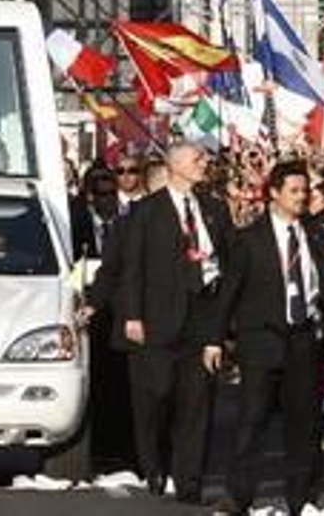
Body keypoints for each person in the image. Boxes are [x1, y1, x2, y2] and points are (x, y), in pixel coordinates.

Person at [213, 158, 324, 516]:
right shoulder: (249, 239)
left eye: (305, 190)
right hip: (261, 341)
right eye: (294, 191)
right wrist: (214, 338)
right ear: (274, 194)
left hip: (304, 340)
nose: (302, 196)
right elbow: (228, 293)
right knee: (252, 421)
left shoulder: (314, 234)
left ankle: (302, 498)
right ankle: (238, 497)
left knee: (304, 424)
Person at [115, 141, 231, 503]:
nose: (204, 163)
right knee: (157, 398)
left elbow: (229, 265)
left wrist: (224, 326)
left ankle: (189, 481)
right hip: (158, 319)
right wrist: (132, 315)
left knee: (197, 404)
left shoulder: (214, 208)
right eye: (197, 159)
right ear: (176, 165)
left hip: (202, 318)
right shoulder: (147, 211)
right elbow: (131, 267)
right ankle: (154, 467)